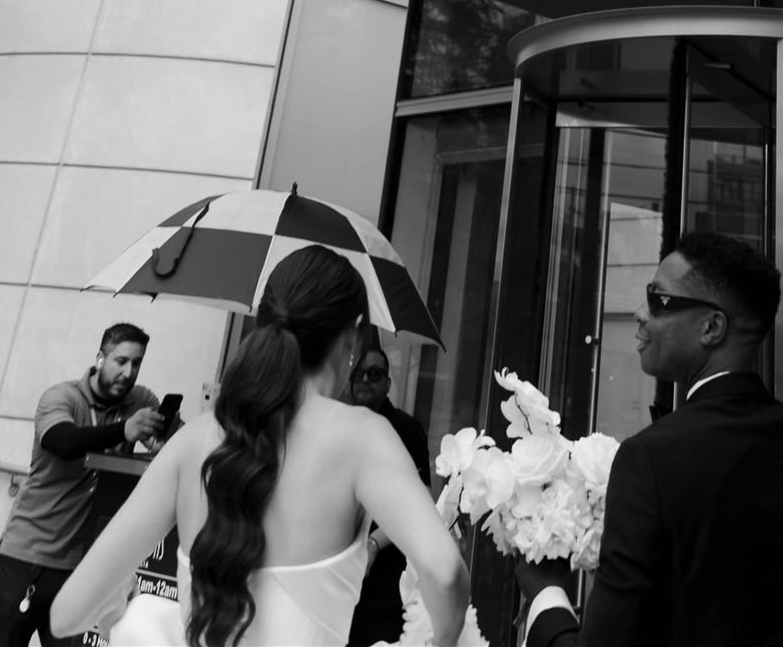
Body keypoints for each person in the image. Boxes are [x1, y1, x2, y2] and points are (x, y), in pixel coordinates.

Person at [50, 246, 470, 647]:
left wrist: (125, 617)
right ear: (355, 338)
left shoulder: (195, 438)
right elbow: (446, 573)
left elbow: (66, 614)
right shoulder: (362, 436)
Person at [521, 232, 783, 647]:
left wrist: (545, 592)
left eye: (658, 300)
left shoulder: (650, 461)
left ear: (711, 327)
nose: (640, 313)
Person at [0, 322, 162, 647]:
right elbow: (61, 441)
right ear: (99, 359)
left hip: (80, 570)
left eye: (137, 363)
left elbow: (177, 439)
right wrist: (124, 431)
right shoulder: (61, 397)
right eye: (120, 361)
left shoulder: (141, 402)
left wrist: (165, 441)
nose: (129, 371)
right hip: (25, 559)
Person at [345, 338, 431, 647]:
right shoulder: (337, 426)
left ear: (389, 382)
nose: (366, 380)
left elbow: (419, 503)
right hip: (338, 579)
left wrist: (373, 544)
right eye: (359, 373)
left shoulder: (406, 430)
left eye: (375, 374)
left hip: (383, 582)